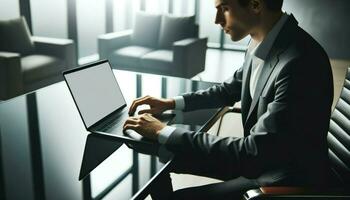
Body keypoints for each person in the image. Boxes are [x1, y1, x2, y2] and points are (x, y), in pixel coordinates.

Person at [123, 0, 334, 199]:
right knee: (160, 151)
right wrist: (172, 103)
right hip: (261, 160)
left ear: (255, 5)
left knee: (175, 183)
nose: (216, 20)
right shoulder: (263, 40)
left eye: (224, 8)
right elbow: (228, 90)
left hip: (281, 178)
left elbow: (253, 152)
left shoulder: (300, 62)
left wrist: (163, 131)